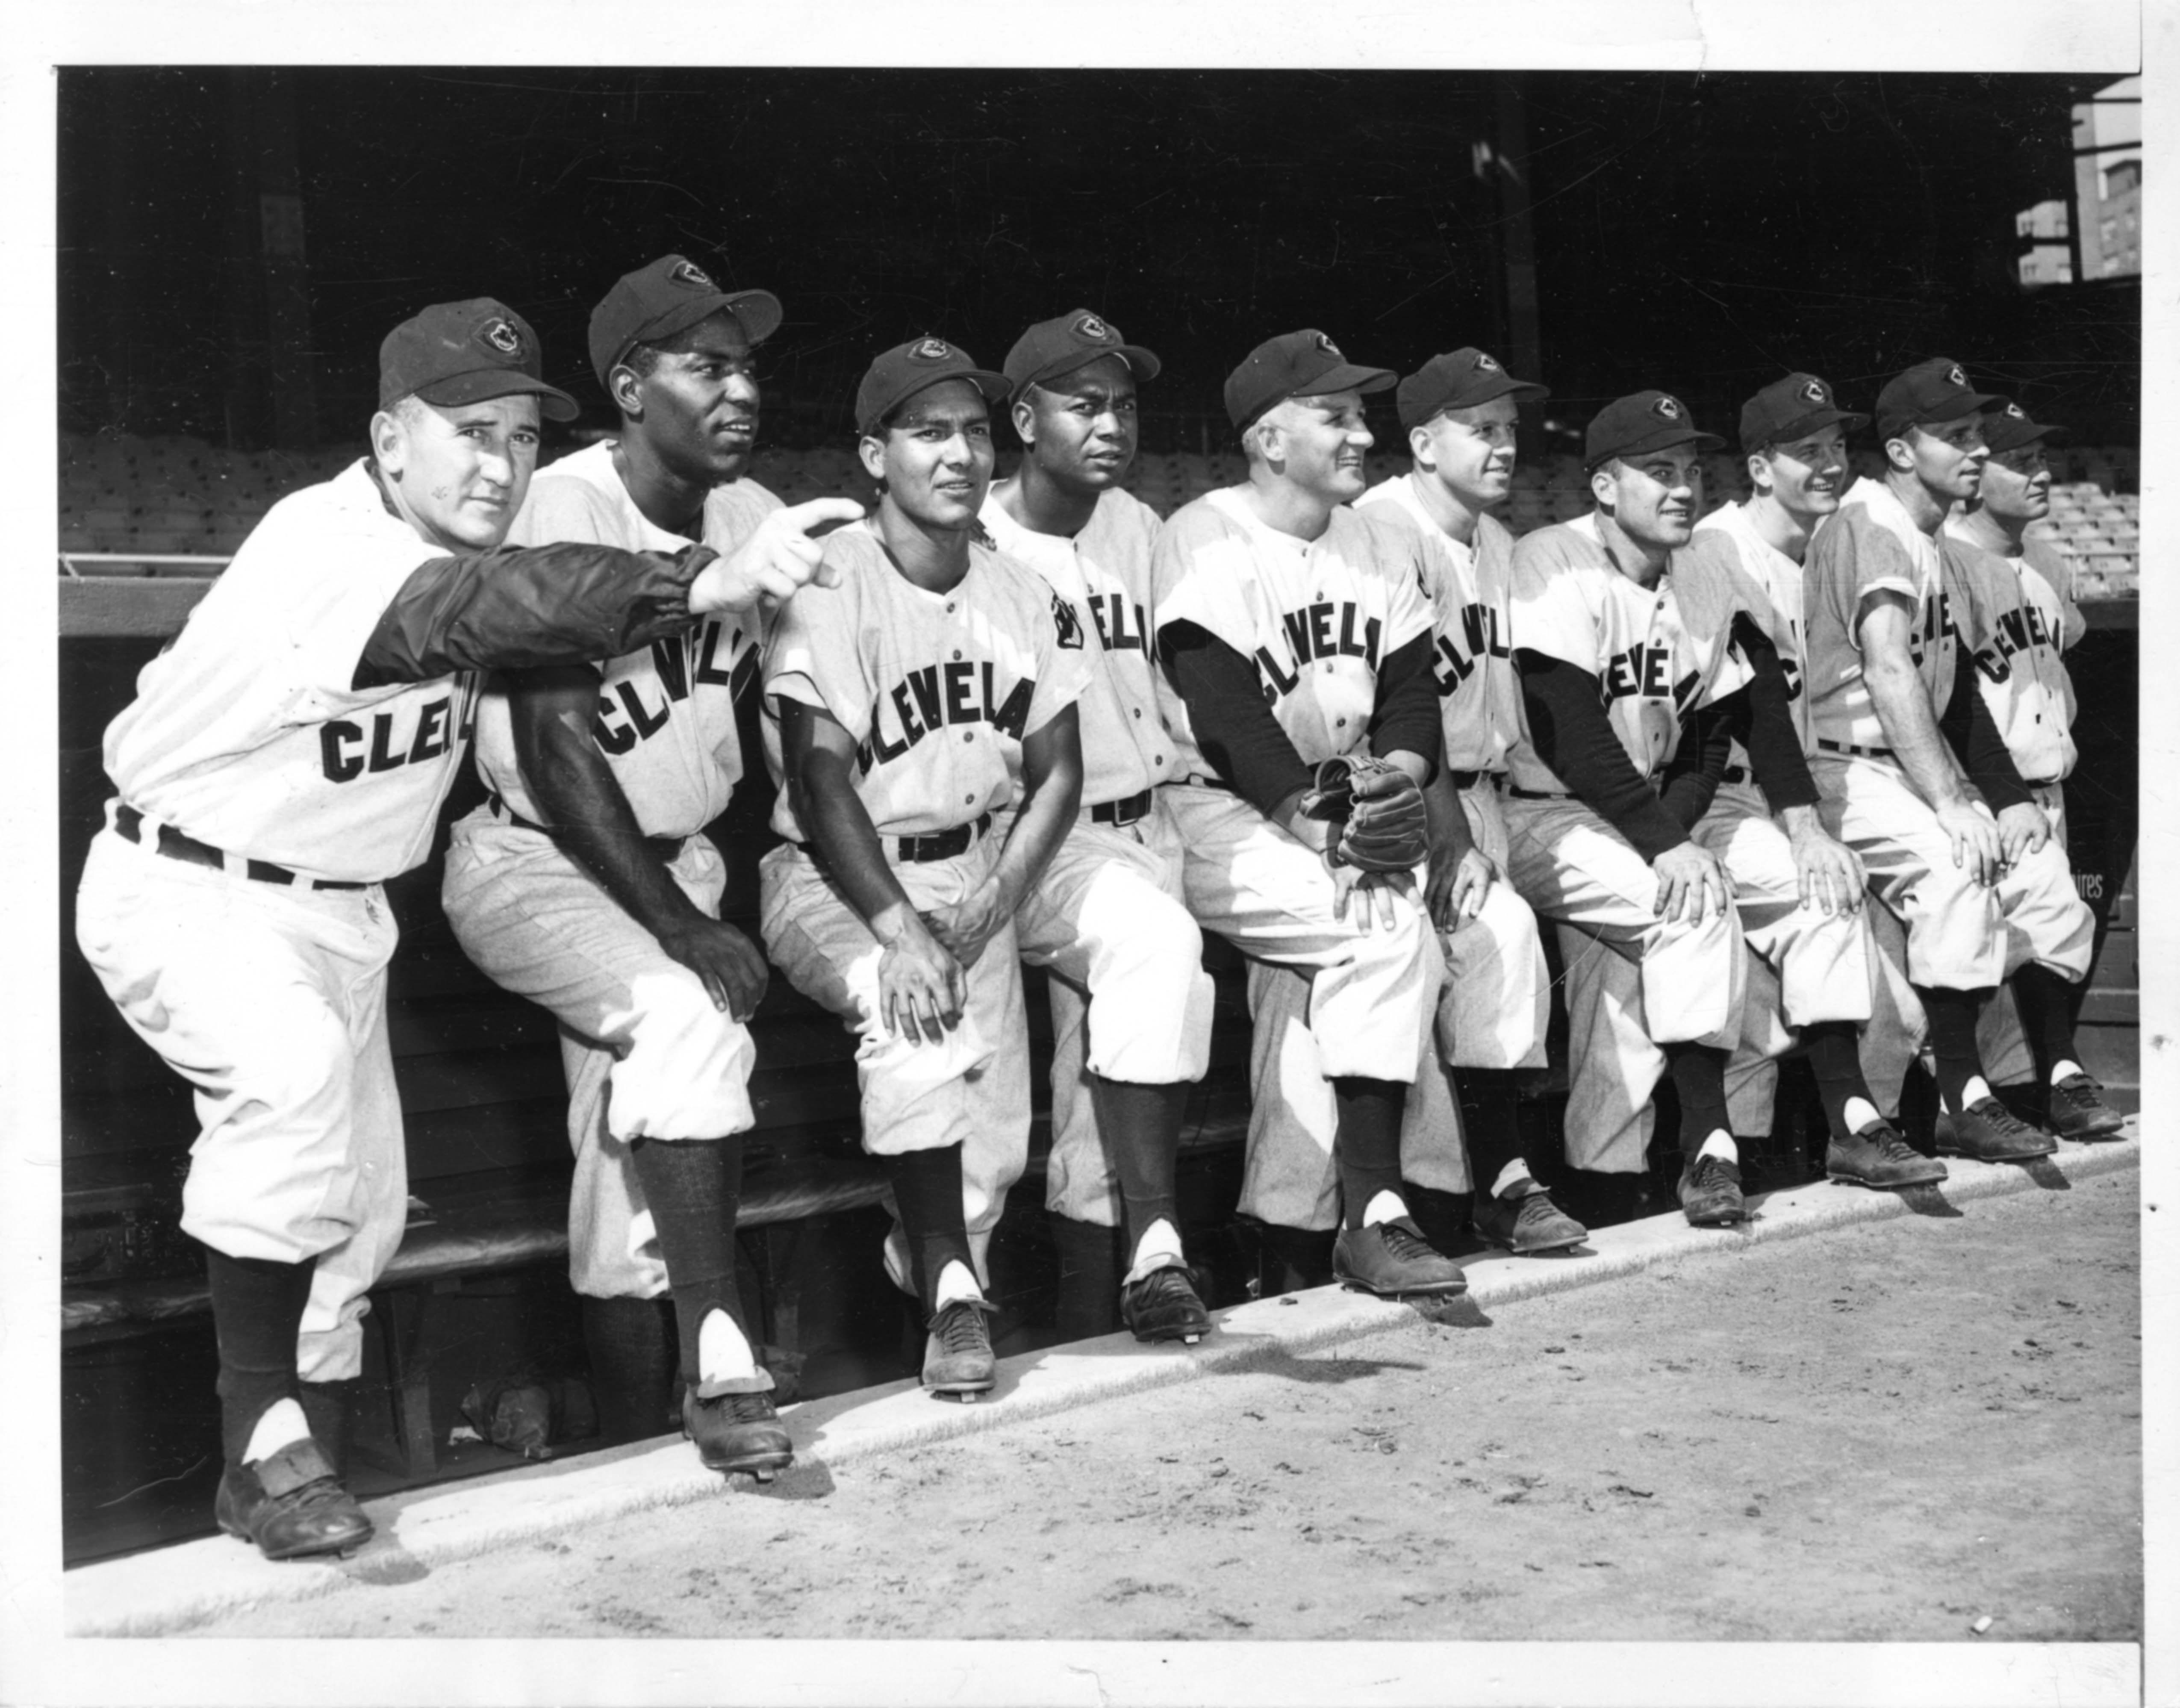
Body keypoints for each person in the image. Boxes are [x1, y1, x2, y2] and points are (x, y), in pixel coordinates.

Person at [73, 298, 854, 1559]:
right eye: (468, 433)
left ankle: (300, 1470)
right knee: (287, 1084)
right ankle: (256, 1449)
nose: (501, 464)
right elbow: (467, 612)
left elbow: (523, 612)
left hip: (341, 908)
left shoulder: (471, 539)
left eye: (521, 438)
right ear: (390, 439)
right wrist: (700, 579)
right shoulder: (323, 541)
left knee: (355, 1220)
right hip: (190, 887)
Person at [439, 256, 815, 1478]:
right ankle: (722, 1359)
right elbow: (554, 749)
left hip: (676, 856)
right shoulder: (556, 504)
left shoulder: (752, 514)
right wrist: (681, 927)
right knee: (682, 1017)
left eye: (746, 365)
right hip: (538, 858)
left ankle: (629, 1454)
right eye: (704, 365)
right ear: (626, 384)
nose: (738, 388)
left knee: (628, 1165)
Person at [760, 336, 1088, 1400]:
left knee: (991, 1147)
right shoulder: (833, 579)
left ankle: (950, 1271)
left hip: (974, 871)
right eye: (927, 431)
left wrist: (1000, 897)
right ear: (873, 454)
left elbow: (1058, 774)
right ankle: (950, 1293)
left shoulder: (1018, 590)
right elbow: (820, 784)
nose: (959, 453)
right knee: (914, 1025)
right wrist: (899, 930)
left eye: (974, 431)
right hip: (839, 875)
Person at [1500, 390, 1881, 1229]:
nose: (1683, 488)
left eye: (1691, 471)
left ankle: (1853, 1120)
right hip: (1548, 813)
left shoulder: (1702, 563)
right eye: (1658, 472)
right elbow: (1563, 727)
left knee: (1819, 886)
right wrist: (1666, 843)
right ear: (1604, 487)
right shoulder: (1549, 557)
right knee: (1684, 920)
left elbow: (1726, 719)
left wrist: (1798, 825)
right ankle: (1704, 1147)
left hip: (1652, 810)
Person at [1151, 328, 1467, 1298]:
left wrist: (1394, 779)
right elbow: (1223, 712)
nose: (1363, 432)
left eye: (1361, 412)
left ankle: (1288, 1232)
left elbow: (1414, 692)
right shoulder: (1204, 534)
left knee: (1314, 989)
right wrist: (1319, 823)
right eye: (1336, 415)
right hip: (1218, 808)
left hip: (1337, 794)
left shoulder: (1376, 538)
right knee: (1376, 922)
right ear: (1268, 439)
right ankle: (1374, 1213)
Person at [978, 309, 1217, 1342]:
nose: (1112, 424)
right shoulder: (972, 533)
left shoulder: (1137, 527)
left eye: (1123, 404)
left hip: (1150, 814)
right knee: (1153, 955)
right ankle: (1158, 1250)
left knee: (1101, 1084)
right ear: (1025, 419)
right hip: (1030, 837)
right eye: (1085, 405)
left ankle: (1112, 1303)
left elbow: (1181, 686)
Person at [1801, 358, 2087, 1162]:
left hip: (1899, 760)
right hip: (1845, 764)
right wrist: (1954, 802)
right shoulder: (1873, 523)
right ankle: (1964, 1096)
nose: (1974, 450)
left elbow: (1950, 689)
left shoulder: (1926, 536)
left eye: (1974, 434)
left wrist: (1999, 796)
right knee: (1958, 868)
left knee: (2039, 881)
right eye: (1954, 436)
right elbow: (1890, 670)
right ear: (1899, 450)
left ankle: (2011, 1084)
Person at [1337, 345, 1583, 1253]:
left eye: (1511, 430)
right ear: (1424, 442)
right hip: (1399, 798)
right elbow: (1397, 709)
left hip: (1485, 795)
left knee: (1490, 966)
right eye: (1481, 430)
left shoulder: (1500, 542)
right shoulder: (1378, 528)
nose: (1505, 446)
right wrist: (1445, 836)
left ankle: (1478, 1195)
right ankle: (1484, 1189)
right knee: (1490, 944)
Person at [1676, 374, 1948, 1191]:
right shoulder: (1715, 549)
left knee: (1885, 1008)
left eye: (1836, 446)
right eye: (1805, 451)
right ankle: (1744, 1164)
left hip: (1798, 794)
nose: (1829, 464)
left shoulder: (1828, 548)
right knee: (1751, 1009)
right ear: (1759, 468)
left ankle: (1822, 1152)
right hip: (1718, 794)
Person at [1936, 399, 2125, 1140]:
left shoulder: (2047, 562)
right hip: (1982, 789)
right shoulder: (1943, 559)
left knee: (2051, 934)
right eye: (2022, 461)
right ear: (1979, 476)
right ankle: (1980, 1100)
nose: (2043, 473)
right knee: (1974, 945)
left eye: (2044, 459)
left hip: (2048, 784)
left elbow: (2063, 649)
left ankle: (2051, 1081)